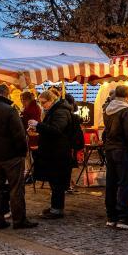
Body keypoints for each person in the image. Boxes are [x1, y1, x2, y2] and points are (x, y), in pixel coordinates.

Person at [0, 85, 36, 230]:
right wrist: (22, 152)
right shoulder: (10, 110)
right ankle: (19, 220)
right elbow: (19, 134)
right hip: (12, 156)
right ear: (7, 94)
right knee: (16, 188)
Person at [102, 85, 128, 229]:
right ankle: (123, 218)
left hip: (110, 149)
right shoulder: (125, 111)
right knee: (125, 183)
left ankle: (111, 216)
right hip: (122, 149)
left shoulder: (107, 109)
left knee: (111, 183)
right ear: (126, 95)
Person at [30, 89, 74, 219]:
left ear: (51, 100)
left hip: (59, 152)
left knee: (57, 182)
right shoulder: (54, 111)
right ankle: (55, 207)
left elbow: (56, 129)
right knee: (55, 181)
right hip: (54, 151)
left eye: (44, 102)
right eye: (41, 103)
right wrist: (38, 127)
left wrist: (39, 125)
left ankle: (57, 209)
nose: (42, 105)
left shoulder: (60, 111)